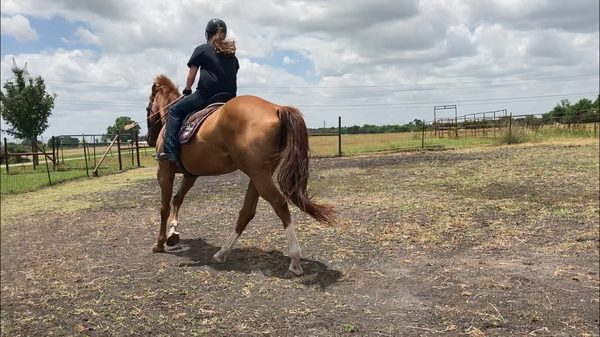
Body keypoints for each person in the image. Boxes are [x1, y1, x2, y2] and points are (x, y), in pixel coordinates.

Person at [156, 18, 239, 162]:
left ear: (208, 34)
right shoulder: (231, 55)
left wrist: (187, 90)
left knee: (175, 111)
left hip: (206, 95)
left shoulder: (202, 49)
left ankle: (170, 151)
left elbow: (191, 76)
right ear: (223, 35)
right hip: (229, 97)